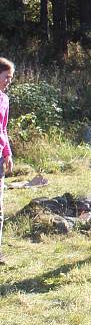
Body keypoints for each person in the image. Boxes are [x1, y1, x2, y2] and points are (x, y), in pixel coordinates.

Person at [0, 58, 13, 265]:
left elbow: (3, 128)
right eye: (6, 77)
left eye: (11, 79)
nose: (9, 81)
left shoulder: (4, 100)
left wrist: (8, 153)